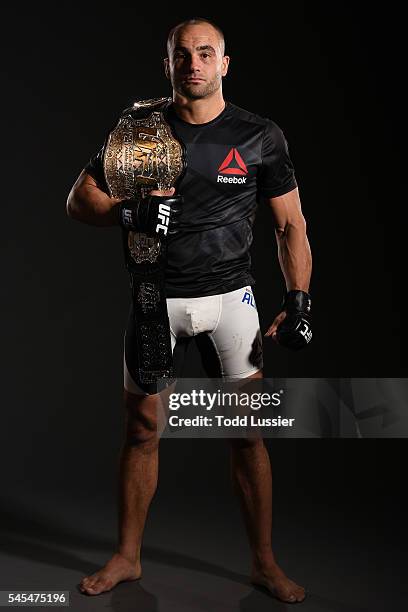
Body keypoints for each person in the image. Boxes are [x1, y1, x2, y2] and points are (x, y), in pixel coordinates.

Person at [66, 17, 312, 604]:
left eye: (207, 53)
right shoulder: (138, 131)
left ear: (225, 63)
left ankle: (264, 563)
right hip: (156, 297)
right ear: (168, 63)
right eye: (183, 54)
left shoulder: (259, 136)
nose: (194, 64)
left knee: (247, 434)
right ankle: (128, 557)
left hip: (232, 301)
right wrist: (128, 214)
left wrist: (299, 300)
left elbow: (291, 225)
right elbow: (80, 201)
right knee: (142, 430)